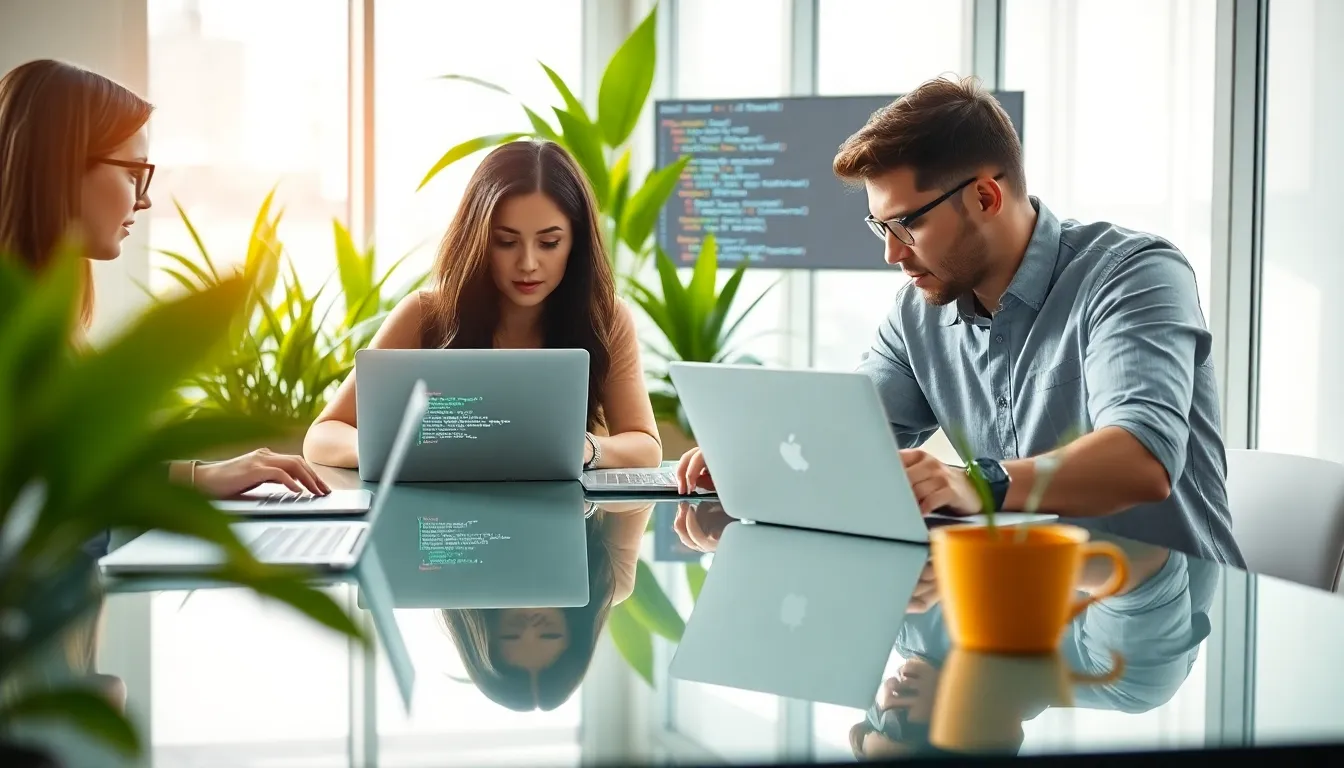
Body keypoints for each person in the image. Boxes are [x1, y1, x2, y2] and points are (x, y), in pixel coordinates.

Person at [675, 75, 1243, 567]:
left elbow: (1142, 459)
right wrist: (753, 462)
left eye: (907, 225)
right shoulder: (917, 312)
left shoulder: (1132, 274)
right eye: (881, 228)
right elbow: (850, 439)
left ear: (986, 198)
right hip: (1004, 603)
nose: (891, 254)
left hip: (1158, 622)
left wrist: (978, 483)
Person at [0, 59, 329, 499]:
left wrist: (201, 476)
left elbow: (72, 473)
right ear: (61, 167)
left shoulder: (45, 322)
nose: (145, 200)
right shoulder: (15, 335)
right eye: (132, 174)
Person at [303, 139, 663, 470]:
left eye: (549, 243)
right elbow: (323, 434)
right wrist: (389, 451)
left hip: (565, 512)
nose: (528, 263)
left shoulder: (606, 317)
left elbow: (645, 446)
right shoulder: (424, 314)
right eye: (506, 242)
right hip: (439, 514)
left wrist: (585, 448)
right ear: (478, 240)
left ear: (576, 243)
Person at [440, 501, 651, 711]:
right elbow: (638, 493)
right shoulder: (609, 582)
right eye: (549, 633)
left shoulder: (451, 580)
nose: (530, 627)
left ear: (484, 636)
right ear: (574, 636)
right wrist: (581, 495)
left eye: (511, 635)